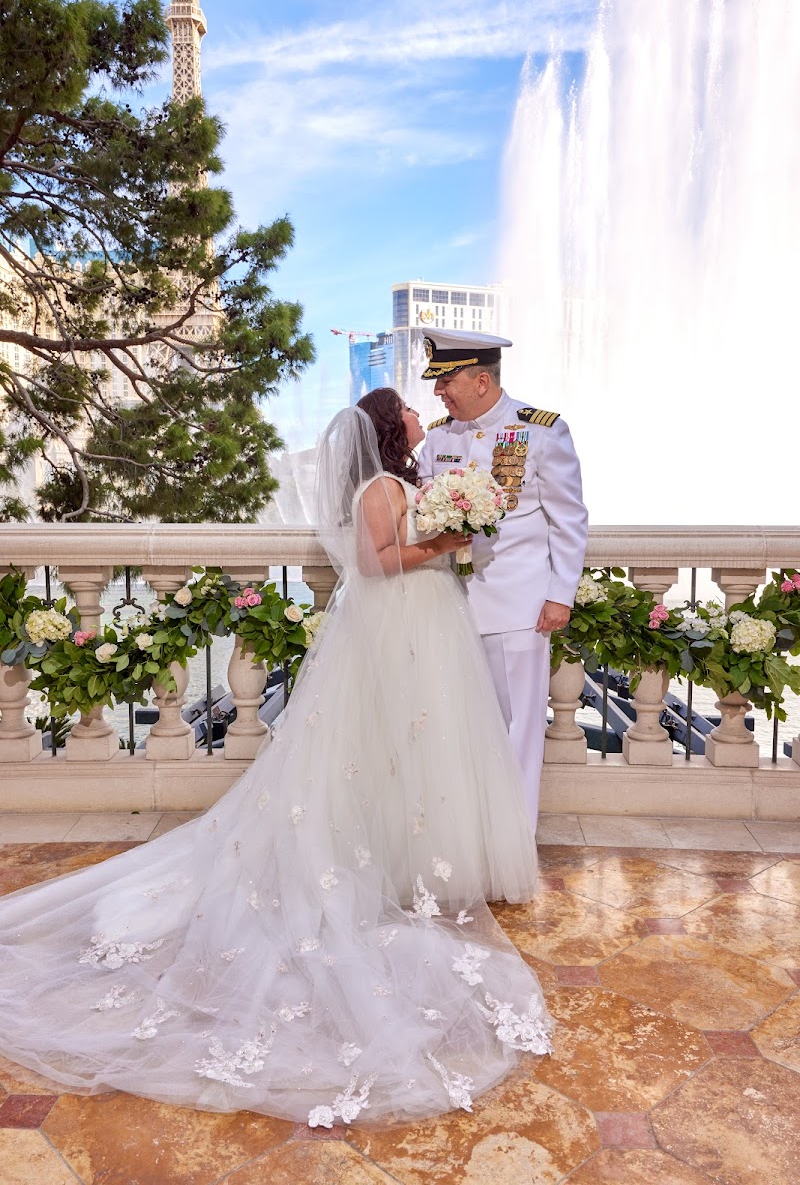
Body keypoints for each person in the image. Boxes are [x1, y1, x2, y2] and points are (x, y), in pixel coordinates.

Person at [0, 393, 551, 1129]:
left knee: (414, 752)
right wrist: (449, 543)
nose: (423, 414)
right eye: (411, 410)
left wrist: (455, 526)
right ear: (391, 427)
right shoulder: (381, 487)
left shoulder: (400, 480)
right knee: (379, 753)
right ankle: (385, 862)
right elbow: (373, 561)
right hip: (397, 622)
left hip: (420, 626)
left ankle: (405, 859)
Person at [417, 329, 589, 830]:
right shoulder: (439, 436)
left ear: (482, 380)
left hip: (518, 608)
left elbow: (569, 519)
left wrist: (561, 595)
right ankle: (469, 835)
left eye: (446, 380)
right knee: (460, 726)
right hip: (448, 607)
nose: (438, 392)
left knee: (518, 728)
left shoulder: (541, 430)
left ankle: (512, 840)